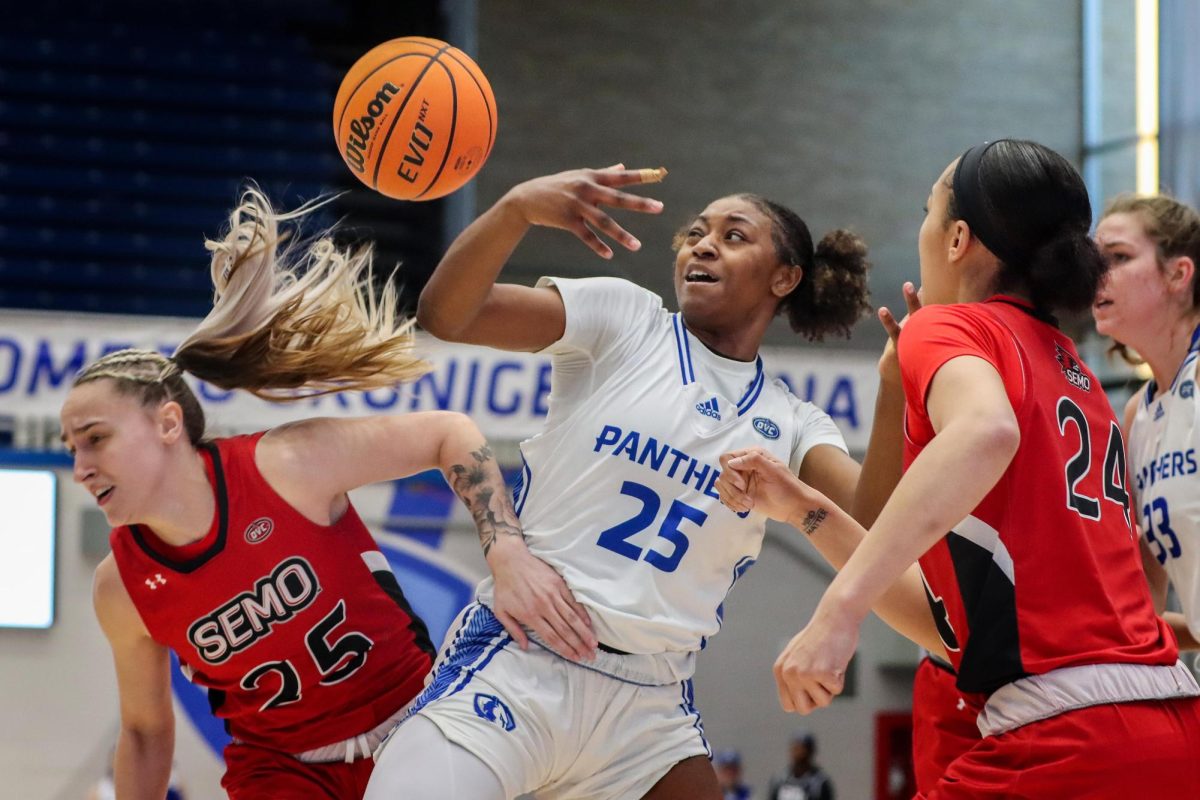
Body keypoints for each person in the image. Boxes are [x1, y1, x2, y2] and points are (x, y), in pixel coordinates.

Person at [364, 164, 877, 800]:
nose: (703, 244)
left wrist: (903, 390)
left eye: (734, 235)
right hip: (523, 657)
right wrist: (517, 208)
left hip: (649, 709)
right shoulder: (625, 320)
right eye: (695, 232)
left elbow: (886, 521)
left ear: (785, 277)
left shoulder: (793, 424)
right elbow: (448, 315)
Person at [64, 187, 592, 800]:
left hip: (417, 722)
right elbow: (145, 731)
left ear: (166, 424)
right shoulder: (121, 586)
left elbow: (450, 432)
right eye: (72, 447)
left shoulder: (283, 465)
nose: (80, 466)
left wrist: (506, 551)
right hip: (283, 767)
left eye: (95, 439)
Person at [717, 140, 1200, 798]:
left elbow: (985, 430)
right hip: (1169, 729)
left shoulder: (946, 327)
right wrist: (805, 507)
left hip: (1063, 737)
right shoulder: (1076, 372)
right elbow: (950, 627)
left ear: (958, 240)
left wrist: (837, 613)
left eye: (927, 211)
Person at [1093, 194, 1200, 650]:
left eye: (1117, 257)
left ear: (1178, 273)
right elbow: (1147, 606)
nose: (1096, 274)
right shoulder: (1138, 413)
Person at [764, 731, 834, 800]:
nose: (797, 752)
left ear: (810, 751)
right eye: (795, 748)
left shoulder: (819, 784)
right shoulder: (780, 780)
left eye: (801, 748)